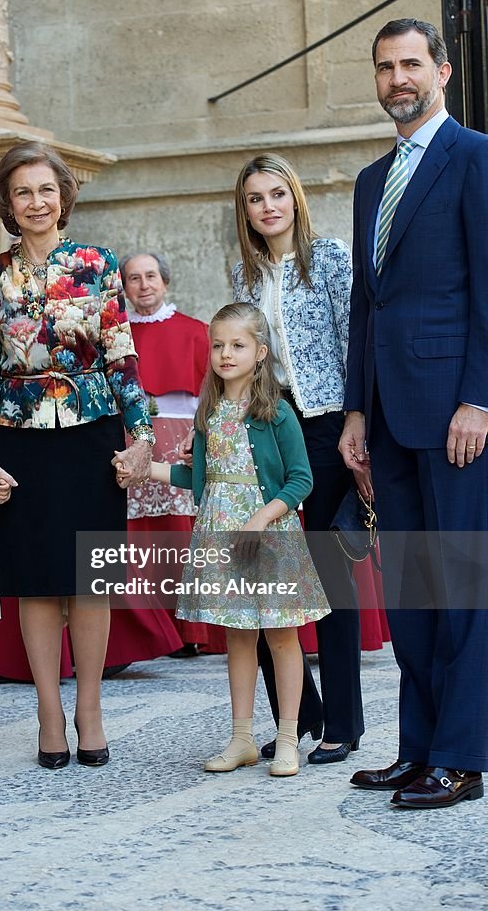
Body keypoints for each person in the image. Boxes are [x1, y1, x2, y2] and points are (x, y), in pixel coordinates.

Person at [339, 18, 488, 809]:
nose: (397, 79)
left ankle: (462, 756)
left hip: (458, 415)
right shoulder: (372, 180)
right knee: (414, 591)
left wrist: (480, 397)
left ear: (442, 70)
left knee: (461, 584)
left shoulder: (477, 159)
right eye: (384, 67)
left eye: (410, 64)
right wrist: (356, 411)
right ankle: (419, 747)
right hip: (389, 417)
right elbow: (369, 304)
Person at [0, 141, 153, 769]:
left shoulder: (98, 263)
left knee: (91, 581)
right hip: (22, 444)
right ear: (7, 204)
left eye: (47, 189)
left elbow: (121, 354)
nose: (37, 201)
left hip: (91, 435)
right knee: (38, 585)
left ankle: (91, 707)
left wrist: (143, 437)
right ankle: (49, 709)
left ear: (64, 197)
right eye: (23, 192)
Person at [147, 303, 329, 776]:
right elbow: (200, 477)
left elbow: (301, 480)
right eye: (218, 345)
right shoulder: (209, 411)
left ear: (260, 352)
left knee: (283, 638)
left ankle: (288, 737)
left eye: (238, 345)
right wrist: (146, 469)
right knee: (238, 638)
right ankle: (242, 738)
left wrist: (260, 519)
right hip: (220, 531)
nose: (225, 354)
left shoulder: (277, 413)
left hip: (267, 533)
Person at [232, 152, 365, 764]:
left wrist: (359, 423)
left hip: (331, 425)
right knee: (262, 573)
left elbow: (353, 343)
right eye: (256, 198)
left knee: (328, 573)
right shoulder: (244, 276)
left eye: (277, 194)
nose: (268, 206)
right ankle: (299, 716)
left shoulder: (331, 258)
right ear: (246, 209)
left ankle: (343, 722)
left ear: (295, 197)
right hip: (271, 428)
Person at [117, 250, 224, 659]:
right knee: (139, 534)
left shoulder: (196, 331)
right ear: (124, 288)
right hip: (133, 440)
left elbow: (210, 394)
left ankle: (194, 629)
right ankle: (153, 629)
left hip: (183, 437)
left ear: (165, 281)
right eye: (134, 278)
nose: (144, 285)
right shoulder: (117, 335)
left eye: (151, 276)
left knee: (183, 529)